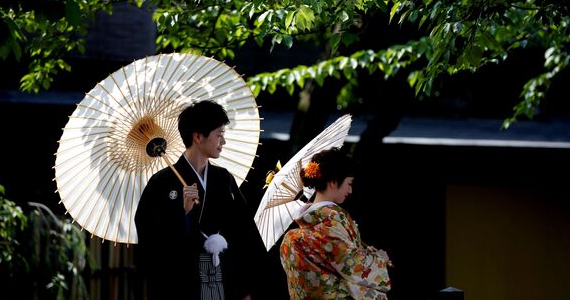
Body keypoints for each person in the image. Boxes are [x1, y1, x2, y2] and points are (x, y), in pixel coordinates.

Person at [134, 100, 266, 300]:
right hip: (183, 281)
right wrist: (182, 213)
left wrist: (246, 288)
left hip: (227, 278)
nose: (223, 142)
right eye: (219, 135)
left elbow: (245, 233)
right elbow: (149, 238)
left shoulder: (224, 179)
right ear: (198, 136)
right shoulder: (161, 183)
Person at [280, 147, 392, 299]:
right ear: (333, 182)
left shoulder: (292, 237)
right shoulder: (333, 221)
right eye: (349, 183)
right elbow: (351, 265)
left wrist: (365, 251)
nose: (350, 190)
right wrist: (379, 260)